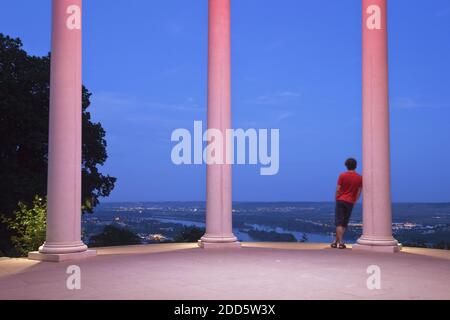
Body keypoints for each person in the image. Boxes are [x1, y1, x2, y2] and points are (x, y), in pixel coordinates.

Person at [331, 158, 362, 249]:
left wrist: (337, 198)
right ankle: (335, 242)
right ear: (355, 166)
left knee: (339, 223)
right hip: (350, 201)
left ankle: (340, 242)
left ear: (346, 165)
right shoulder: (359, 178)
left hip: (341, 200)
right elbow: (359, 192)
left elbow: (338, 189)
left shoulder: (342, 175)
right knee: (344, 223)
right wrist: (354, 200)